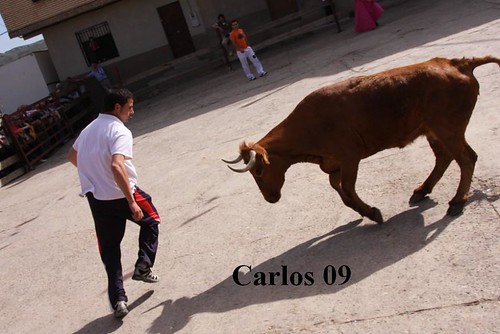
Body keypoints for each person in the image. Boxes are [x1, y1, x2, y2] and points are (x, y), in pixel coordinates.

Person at [67, 88, 161, 319]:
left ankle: (118, 300)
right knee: (152, 221)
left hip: (96, 198)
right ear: (117, 107)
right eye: (129, 107)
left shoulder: (89, 129)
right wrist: (131, 201)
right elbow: (117, 166)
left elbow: (72, 155)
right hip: (121, 193)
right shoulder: (120, 131)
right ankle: (143, 265)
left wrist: (94, 174)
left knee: (109, 250)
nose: (132, 111)